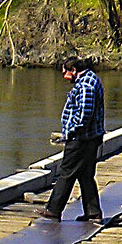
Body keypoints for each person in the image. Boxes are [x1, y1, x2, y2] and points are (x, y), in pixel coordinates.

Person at [38, 56, 105, 222]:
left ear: (73, 70)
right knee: (85, 175)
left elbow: (84, 115)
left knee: (66, 173)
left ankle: (53, 210)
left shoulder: (85, 86)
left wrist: (70, 133)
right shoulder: (90, 80)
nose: (64, 77)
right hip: (91, 138)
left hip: (81, 139)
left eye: (65, 73)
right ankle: (93, 212)